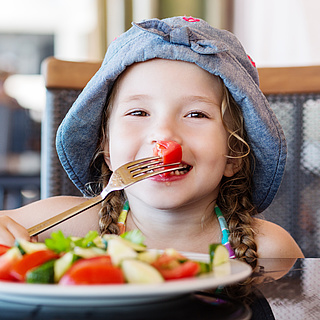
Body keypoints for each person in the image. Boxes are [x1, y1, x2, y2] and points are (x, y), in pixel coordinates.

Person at [0, 16, 303, 268]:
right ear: (105, 148)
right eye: (139, 112)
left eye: (196, 114)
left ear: (234, 154)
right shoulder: (65, 226)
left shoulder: (270, 249)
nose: (164, 136)